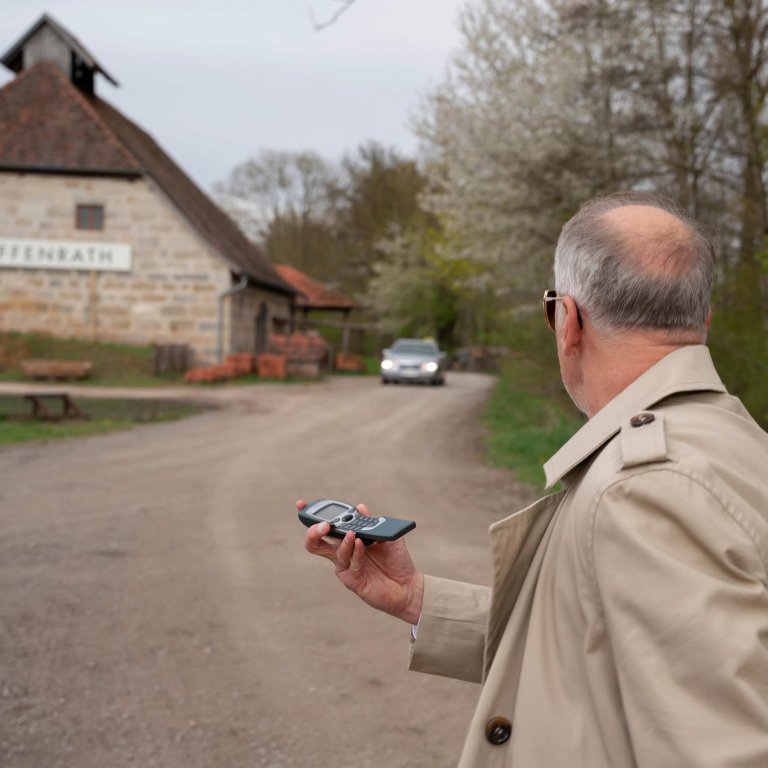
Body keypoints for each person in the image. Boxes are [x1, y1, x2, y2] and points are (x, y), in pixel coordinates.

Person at [300, 191, 768, 768]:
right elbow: (591, 646)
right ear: (704, 321)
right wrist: (419, 602)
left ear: (567, 320)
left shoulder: (646, 489)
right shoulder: (736, 443)